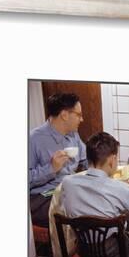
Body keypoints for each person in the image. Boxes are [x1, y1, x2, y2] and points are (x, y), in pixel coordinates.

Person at [29, 93, 87, 227]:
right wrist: (51, 168)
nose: (82, 119)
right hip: (43, 198)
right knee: (80, 211)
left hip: (68, 190)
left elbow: (85, 161)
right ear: (64, 115)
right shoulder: (34, 139)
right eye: (78, 115)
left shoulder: (74, 134)